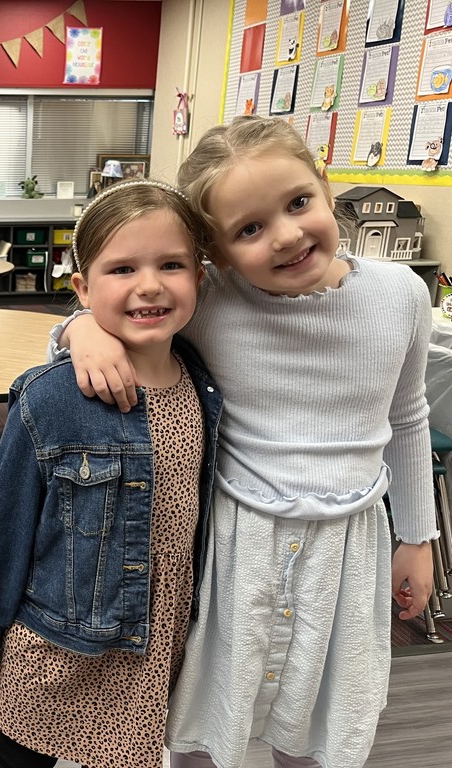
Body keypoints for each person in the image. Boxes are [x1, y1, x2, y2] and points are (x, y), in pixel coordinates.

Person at [53, 116, 437, 768]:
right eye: (250, 229)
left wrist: (418, 536)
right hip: (236, 545)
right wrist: (82, 331)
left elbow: (407, 417)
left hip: (349, 548)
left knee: (321, 724)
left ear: (324, 183)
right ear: (218, 255)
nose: (286, 235)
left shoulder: (401, 294)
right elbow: (121, 312)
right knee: (210, 722)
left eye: (297, 203)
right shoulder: (213, 303)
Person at [0, 179, 222, 768]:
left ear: (199, 277)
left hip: (158, 633)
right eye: (121, 269)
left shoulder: (205, 383)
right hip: (64, 637)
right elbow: (4, 526)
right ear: (81, 288)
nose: (149, 285)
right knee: (20, 755)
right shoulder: (51, 399)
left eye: (171, 264)